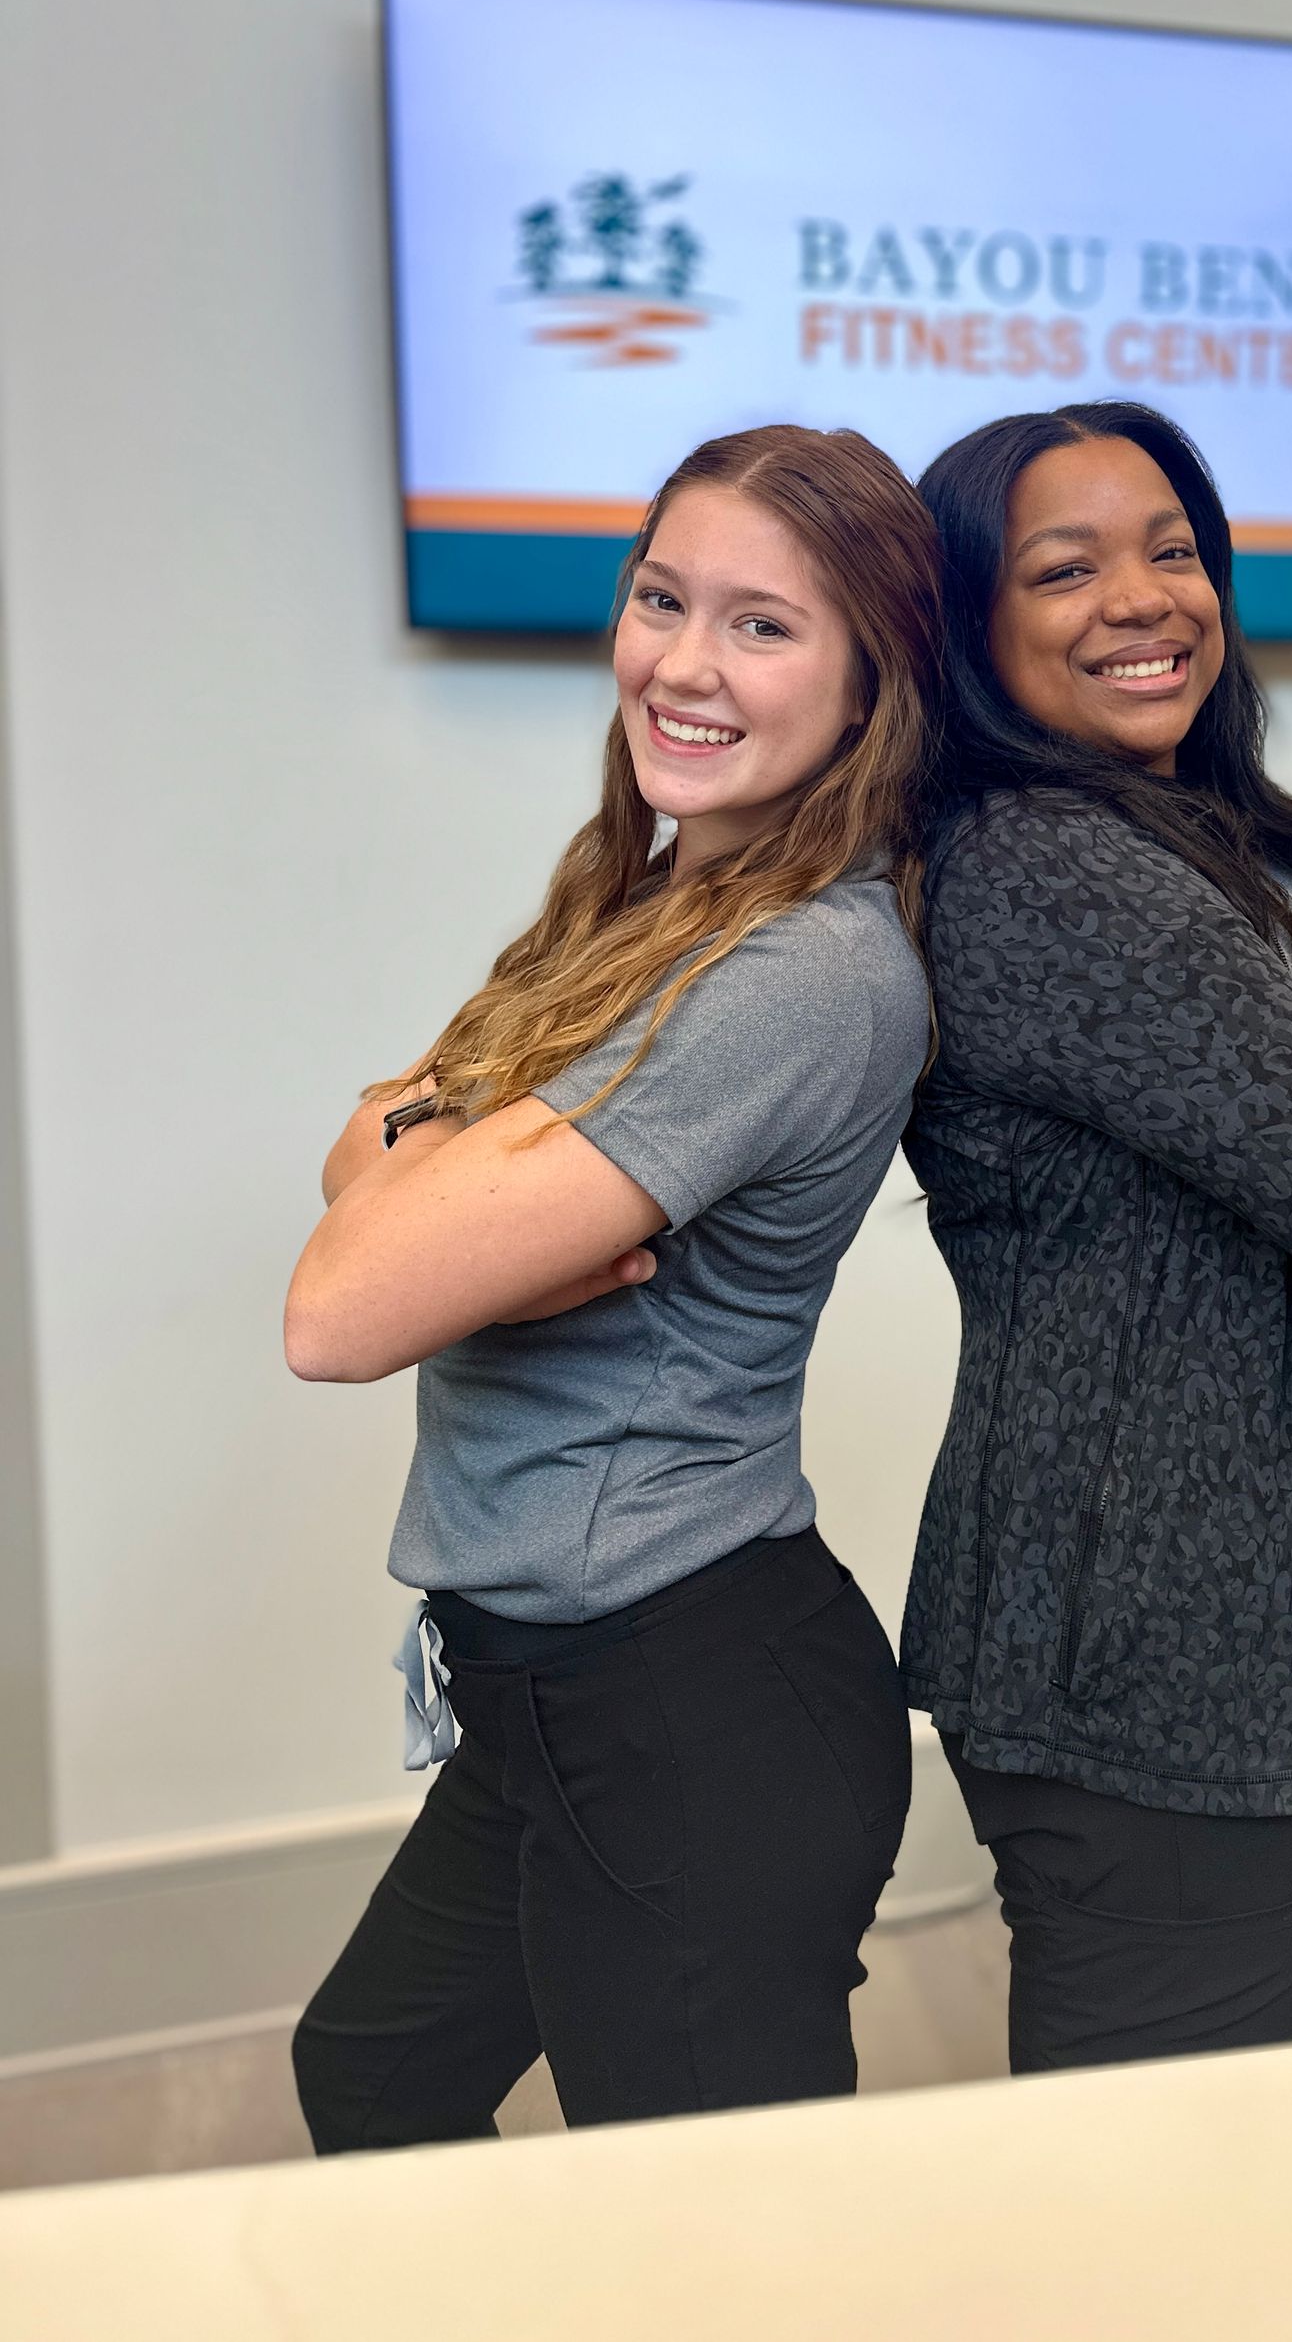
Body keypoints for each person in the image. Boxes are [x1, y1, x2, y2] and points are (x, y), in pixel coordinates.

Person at [285, 424, 941, 2148]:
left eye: (764, 624)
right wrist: (452, 1170)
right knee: (376, 2070)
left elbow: (333, 1313)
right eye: (664, 598)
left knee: (715, 2253)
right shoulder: (657, 900)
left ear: (875, 682)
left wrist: (431, 1197)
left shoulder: (798, 970)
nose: (685, 662)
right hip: (548, 1691)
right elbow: (363, 1156)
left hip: (685, 1703)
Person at [901, 399, 1292, 2073]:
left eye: (1174, 549)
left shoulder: (1234, 833)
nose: (1145, 596)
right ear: (971, 624)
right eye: (1067, 567)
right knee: (1168, 2184)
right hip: (1170, 1623)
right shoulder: (1045, 872)